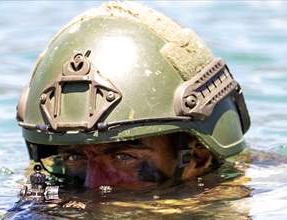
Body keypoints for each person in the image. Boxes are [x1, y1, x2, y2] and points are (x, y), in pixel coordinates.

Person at [15, 1, 251, 190]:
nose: (93, 185)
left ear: (198, 158)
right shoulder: (57, 184)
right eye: (74, 158)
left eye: (124, 157)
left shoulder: (269, 195)